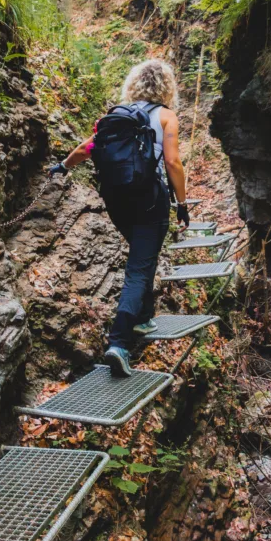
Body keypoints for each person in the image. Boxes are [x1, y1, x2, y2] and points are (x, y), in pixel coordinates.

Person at [49, 59, 190, 376]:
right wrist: (182, 203)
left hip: (116, 200)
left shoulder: (115, 117)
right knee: (139, 268)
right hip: (149, 200)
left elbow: (87, 148)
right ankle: (120, 343)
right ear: (166, 88)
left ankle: (143, 316)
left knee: (144, 253)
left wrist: (62, 166)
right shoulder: (167, 117)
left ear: (134, 85)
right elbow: (173, 162)